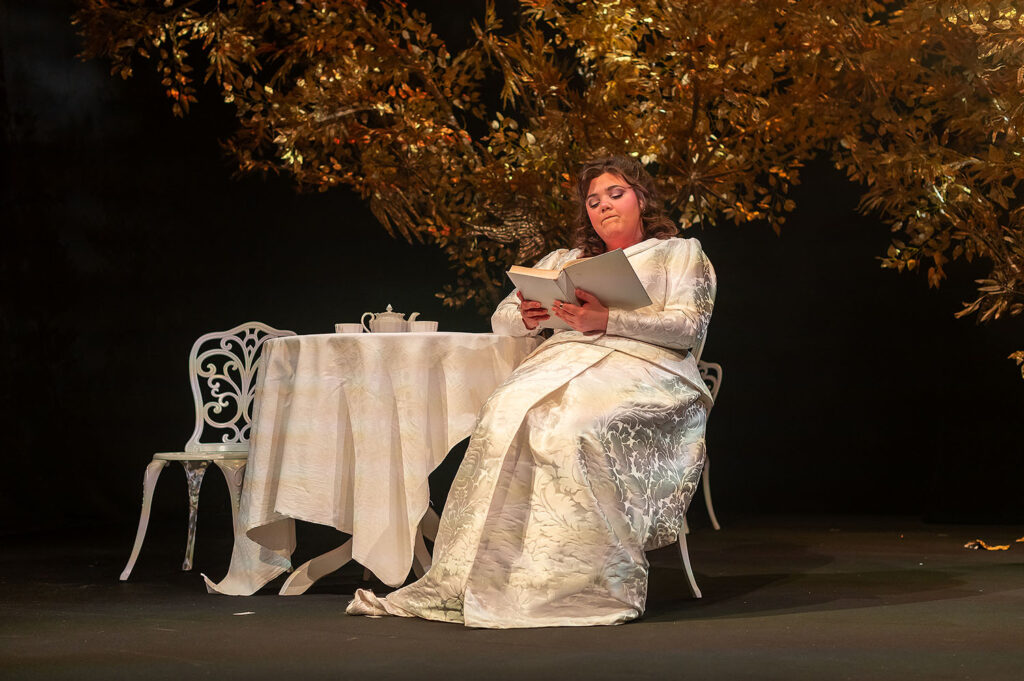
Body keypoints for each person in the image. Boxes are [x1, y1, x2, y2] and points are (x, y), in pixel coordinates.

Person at [346, 155, 716, 628]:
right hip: (562, 363)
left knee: (575, 425)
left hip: (647, 371)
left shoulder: (678, 253)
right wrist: (527, 316)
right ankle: (501, 575)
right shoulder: (564, 261)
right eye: (593, 201)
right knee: (503, 414)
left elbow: (688, 326)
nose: (604, 206)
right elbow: (501, 318)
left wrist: (607, 319)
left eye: (615, 194)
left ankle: (582, 581)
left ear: (641, 199)